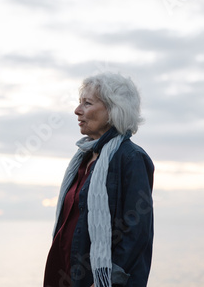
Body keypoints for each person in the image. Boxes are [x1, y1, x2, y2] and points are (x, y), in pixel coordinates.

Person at [43, 72, 155, 287]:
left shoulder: (131, 158)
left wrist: (108, 279)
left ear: (114, 110)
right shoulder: (84, 158)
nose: (77, 111)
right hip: (67, 274)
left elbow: (137, 231)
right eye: (79, 103)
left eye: (87, 103)